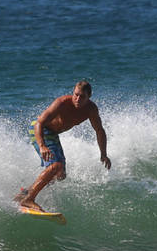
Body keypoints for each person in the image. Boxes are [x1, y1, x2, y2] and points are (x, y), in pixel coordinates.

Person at [15, 80, 111, 212]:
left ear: (89, 97)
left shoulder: (91, 109)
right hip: (40, 130)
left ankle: (26, 193)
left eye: (82, 96)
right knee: (56, 166)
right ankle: (29, 199)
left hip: (53, 134)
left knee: (60, 174)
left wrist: (103, 154)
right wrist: (42, 146)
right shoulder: (61, 103)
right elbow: (39, 123)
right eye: (76, 94)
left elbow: (99, 130)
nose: (77, 99)